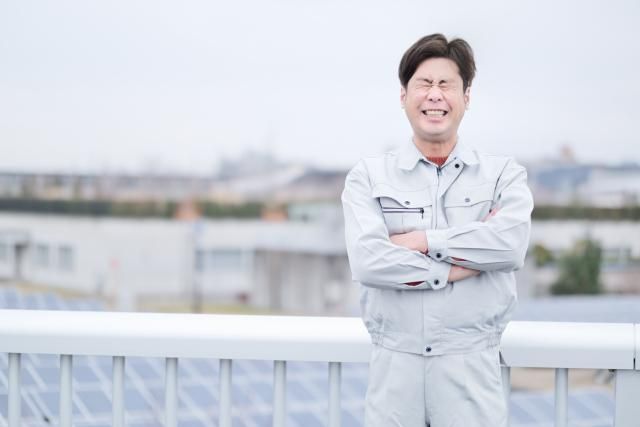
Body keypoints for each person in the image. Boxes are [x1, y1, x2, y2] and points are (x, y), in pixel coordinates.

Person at [341, 33, 533, 427]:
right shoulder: (368, 177)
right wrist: (453, 269)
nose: (434, 95)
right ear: (403, 95)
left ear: (466, 96)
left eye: (446, 84)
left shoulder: (503, 175)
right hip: (395, 372)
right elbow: (368, 262)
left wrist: (424, 241)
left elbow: (510, 246)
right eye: (423, 83)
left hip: (472, 367)